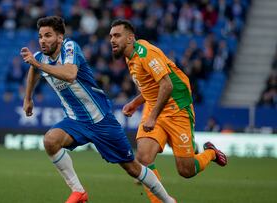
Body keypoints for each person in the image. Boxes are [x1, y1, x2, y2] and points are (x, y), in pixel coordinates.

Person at [20, 16, 176, 203]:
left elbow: (70, 74)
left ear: (60, 38)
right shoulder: (39, 58)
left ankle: (168, 200)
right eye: (40, 36)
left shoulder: (70, 48)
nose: (43, 40)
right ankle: (79, 191)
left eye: (48, 35)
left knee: (132, 168)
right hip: (75, 121)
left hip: (101, 120)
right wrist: (28, 98)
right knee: (50, 141)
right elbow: (33, 71)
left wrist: (36, 64)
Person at [109, 19, 228, 203]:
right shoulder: (129, 56)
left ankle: (210, 153)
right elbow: (151, 87)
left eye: (117, 35)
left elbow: (167, 85)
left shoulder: (146, 53)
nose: (112, 40)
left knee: (186, 170)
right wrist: (135, 103)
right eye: (111, 36)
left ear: (130, 38)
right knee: (143, 157)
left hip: (176, 107)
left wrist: (152, 117)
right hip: (155, 104)